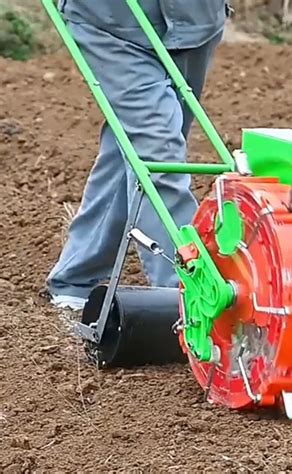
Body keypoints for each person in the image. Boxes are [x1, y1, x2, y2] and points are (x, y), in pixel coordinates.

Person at [47, 1, 229, 310]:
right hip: (110, 23)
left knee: (134, 144)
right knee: (158, 150)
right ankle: (191, 296)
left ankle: (78, 273)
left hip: (196, 20)